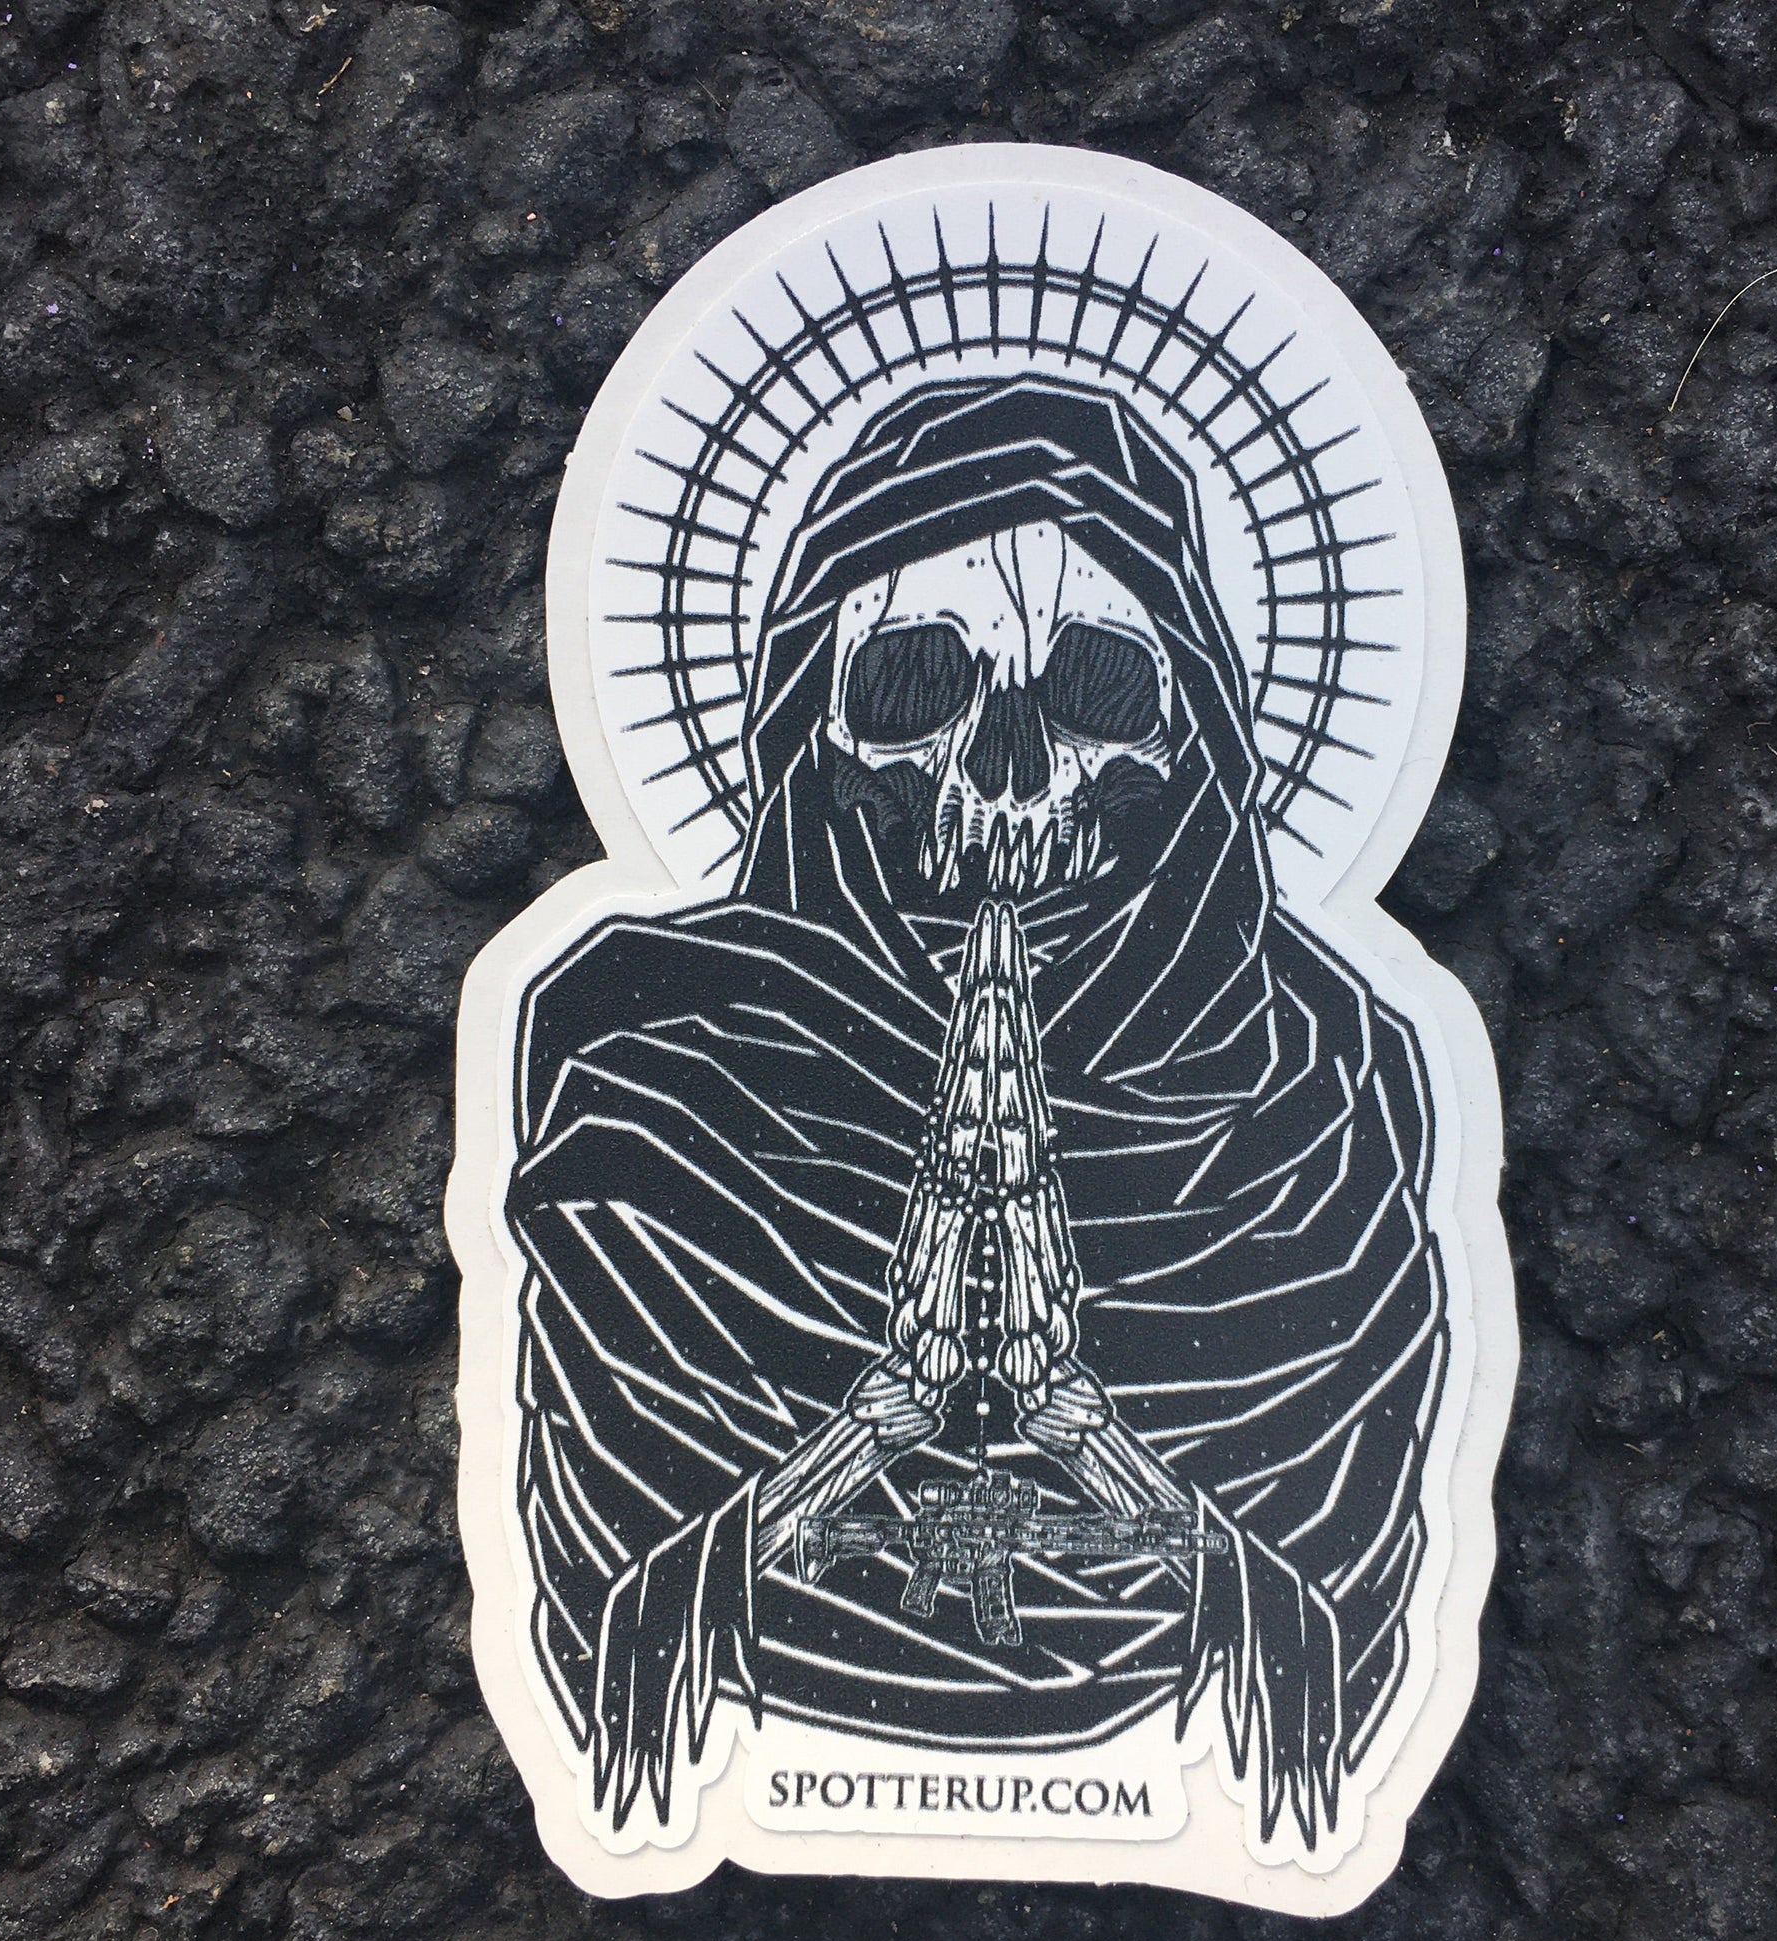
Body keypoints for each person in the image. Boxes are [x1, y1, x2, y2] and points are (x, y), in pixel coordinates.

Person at [507, 375, 1446, 1847]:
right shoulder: (644, 1056)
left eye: (1097, 696)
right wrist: (876, 1425)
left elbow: (1331, 1635)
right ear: (810, 735)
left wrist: (1090, 1440)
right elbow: (617, 1606)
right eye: (913, 691)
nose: (1008, 778)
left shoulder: (1321, 1083)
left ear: (1197, 739)